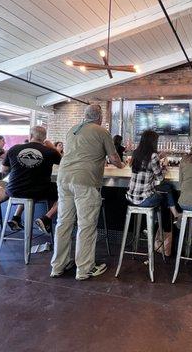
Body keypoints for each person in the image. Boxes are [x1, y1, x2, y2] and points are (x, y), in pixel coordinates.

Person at [51, 105, 123, 281]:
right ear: (100, 117)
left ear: (85, 116)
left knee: (63, 223)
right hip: (85, 181)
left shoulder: (72, 130)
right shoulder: (101, 131)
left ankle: (58, 266)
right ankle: (84, 269)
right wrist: (121, 165)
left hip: (63, 178)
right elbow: (114, 158)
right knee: (86, 225)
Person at [126, 130, 181, 250]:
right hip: (145, 199)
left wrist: (159, 158)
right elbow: (160, 178)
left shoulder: (136, 153)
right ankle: (159, 223)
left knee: (165, 190)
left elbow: (144, 166)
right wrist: (163, 167)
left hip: (131, 197)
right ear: (153, 142)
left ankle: (150, 226)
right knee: (164, 193)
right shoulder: (153, 156)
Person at [2, 126, 61, 234]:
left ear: (30, 136)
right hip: (38, 191)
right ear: (44, 138)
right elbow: (66, 163)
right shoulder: (50, 152)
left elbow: (4, 169)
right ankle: (46, 218)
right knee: (66, 193)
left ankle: (16, 217)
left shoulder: (14, 148)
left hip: (13, 190)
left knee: (28, 186)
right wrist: (53, 147)